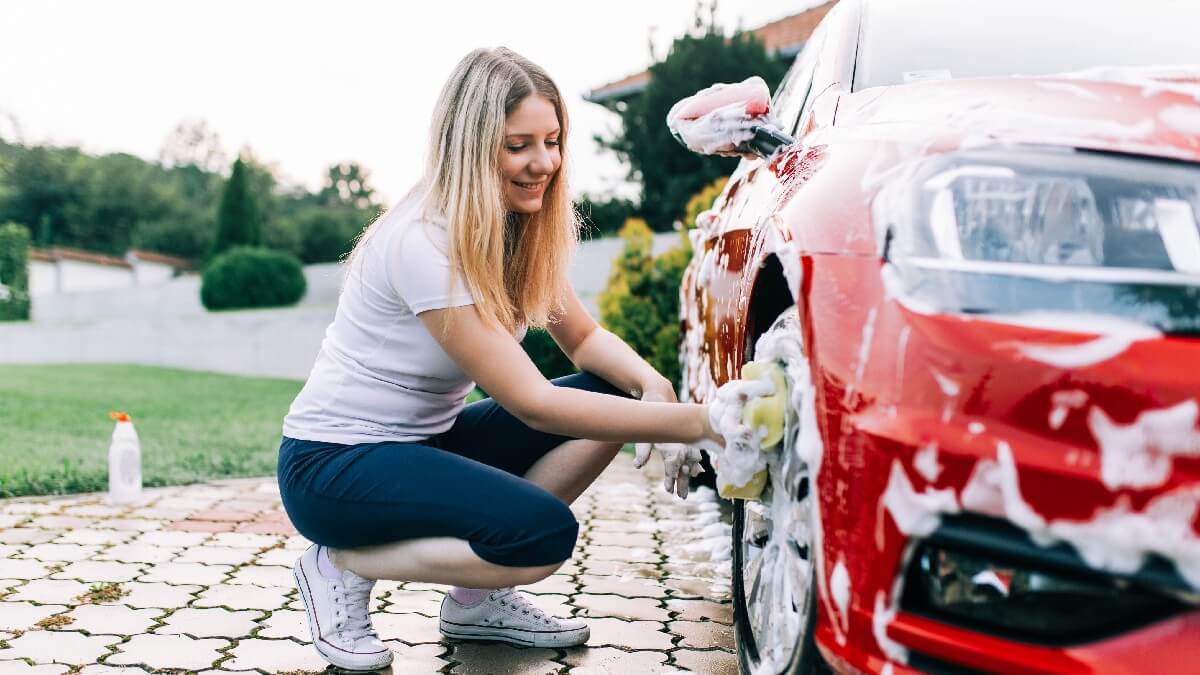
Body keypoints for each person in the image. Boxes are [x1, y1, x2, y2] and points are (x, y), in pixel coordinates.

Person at [277, 46, 723, 671]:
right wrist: (711, 423)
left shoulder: (516, 227)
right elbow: (532, 403)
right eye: (519, 146)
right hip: (334, 466)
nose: (543, 162)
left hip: (428, 444)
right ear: (471, 144)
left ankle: (474, 601)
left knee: (612, 391)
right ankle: (339, 561)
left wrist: (657, 390)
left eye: (552, 140)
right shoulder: (422, 240)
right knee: (540, 538)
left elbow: (586, 341)